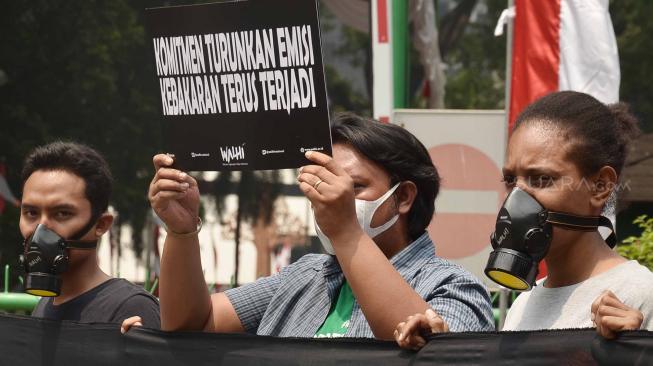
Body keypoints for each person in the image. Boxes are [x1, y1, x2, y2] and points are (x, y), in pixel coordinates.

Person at [123, 113, 494, 340]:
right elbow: (193, 324)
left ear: (404, 197)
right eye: (319, 184)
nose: (329, 198)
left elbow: (437, 352)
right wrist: (182, 231)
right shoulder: (304, 277)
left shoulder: (452, 287)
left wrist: (346, 231)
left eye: (354, 187)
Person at [395, 91, 653, 349]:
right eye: (510, 181)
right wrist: (443, 347)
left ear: (600, 186)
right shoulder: (524, 304)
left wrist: (637, 350)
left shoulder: (638, 295)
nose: (516, 199)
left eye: (541, 179)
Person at [21, 141, 160, 328]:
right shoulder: (45, 305)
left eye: (62, 213)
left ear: (101, 225)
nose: (41, 228)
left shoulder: (130, 308)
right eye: (31, 213)